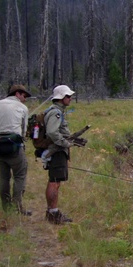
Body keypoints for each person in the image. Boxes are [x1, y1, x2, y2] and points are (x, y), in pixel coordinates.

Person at [0, 84, 32, 215]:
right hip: (15, 147)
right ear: (17, 94)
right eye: (24, 95)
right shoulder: (23, 108)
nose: (25, 98)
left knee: (4, 177)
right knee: (20, 176)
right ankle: (17, 207)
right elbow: (24, 131)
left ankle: (6, 207)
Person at [43, 84, 76, 224]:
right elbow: (52, 132)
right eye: (68, 96)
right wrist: (64, 143)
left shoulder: (58, 111)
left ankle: (52, 212)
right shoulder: (55, 112)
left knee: (55, 181)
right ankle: (53, 214)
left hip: (57, 151)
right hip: (56, 151)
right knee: (54, 182)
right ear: (61, 98)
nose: (70, 98)